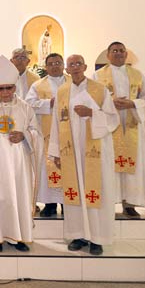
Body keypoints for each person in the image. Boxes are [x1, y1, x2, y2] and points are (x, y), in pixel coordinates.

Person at [48, 55, 119, 256]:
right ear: (67, 70)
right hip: (71, 151)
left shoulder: (99, 89)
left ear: (85, 66)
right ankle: (77, 235)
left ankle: (97, 238)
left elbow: (112, 119)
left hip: (95, 151)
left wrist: (92, 113)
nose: (75, 67)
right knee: (75, 193)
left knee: (97, 192)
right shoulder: (62, 91)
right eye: (71, 65)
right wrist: (56, 152)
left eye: (78, 64)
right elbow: (56, 123)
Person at [0, 55, 43, 252]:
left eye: (9, 88)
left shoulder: (25, 107)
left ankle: (19, 237)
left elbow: (37, 133)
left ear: (14, 87)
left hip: (18, 164)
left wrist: (24, 136)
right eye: (0, 89)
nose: (5, 92)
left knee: (18, 197)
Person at [93, 42, 145, 218]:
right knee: (109, 166)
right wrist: (110, 103)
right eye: (115, 51)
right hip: (109, 128)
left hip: (132, 126)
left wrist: (132, 103)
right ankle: (109, 203)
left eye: (121, 51)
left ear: (126, 55)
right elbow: (92, 98)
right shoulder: (97, 76)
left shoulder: (138, 75)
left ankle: (129, 204)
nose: (118, 53)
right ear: (108, 55)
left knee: (131, 168)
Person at [25, 53, 67, 217]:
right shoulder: (38, 86)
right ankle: (50, 204)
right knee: (47, 169)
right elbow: (29, 104)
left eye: (58, 63)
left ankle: (67, 203)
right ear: (46, 67)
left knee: (68, 168)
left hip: (68, 134)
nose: (55, 66)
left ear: (63, 65)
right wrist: (49, 103)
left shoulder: (73, 83)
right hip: (47, 134)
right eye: (51, 63)